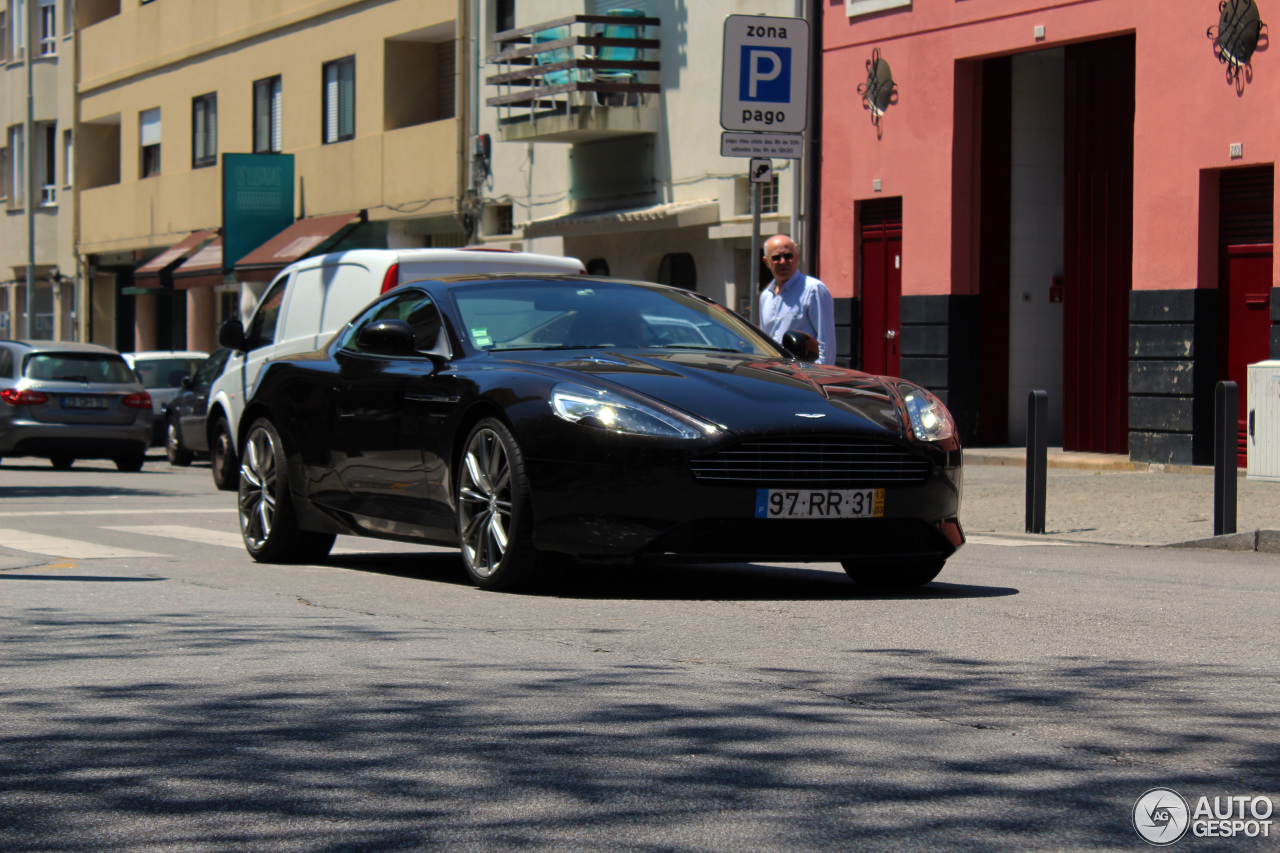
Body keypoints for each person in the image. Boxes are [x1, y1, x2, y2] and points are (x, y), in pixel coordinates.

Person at [758, 235, 837, 365]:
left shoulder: (813, 289)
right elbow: (765, 342)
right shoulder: (766, 296)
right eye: (776, 258)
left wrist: (819, 376)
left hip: (803, 376)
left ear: (797, 257)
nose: (783, 261)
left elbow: (826, 341)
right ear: (767, 262)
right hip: (776, 374)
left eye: (788, 256)